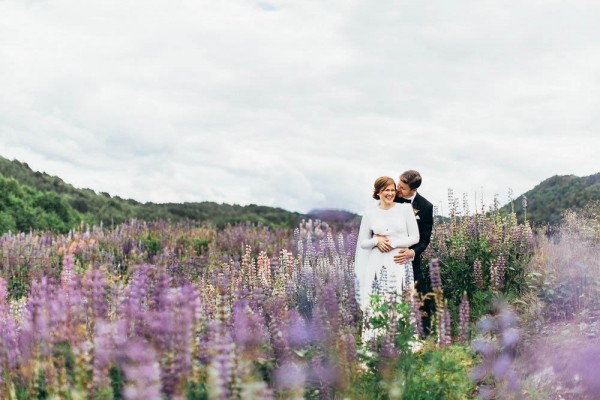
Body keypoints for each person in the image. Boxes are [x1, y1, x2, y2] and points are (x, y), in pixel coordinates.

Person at [354, 176, 420, 313]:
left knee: (401, 298)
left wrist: (394, 243)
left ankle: (401, 333)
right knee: (378, 299)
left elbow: (415, 237)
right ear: (378, 192)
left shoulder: (405, 209)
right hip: (377, 261)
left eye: (392, 190)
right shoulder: (370, 213)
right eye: (386, 190)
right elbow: (363, 243)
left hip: (399, 261)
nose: (390, 193)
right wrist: (376, 241)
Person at [393, 170, 434, 334]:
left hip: (411, 259)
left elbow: (425, 238)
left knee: (419, 297)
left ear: (413, 190)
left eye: (402, 187)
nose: (397, 189)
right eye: (398, 184)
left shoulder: (425, 207)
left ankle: (424, 336)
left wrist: (412, 252)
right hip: (389, 255)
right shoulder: (391, 198)